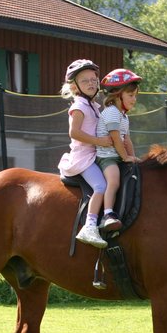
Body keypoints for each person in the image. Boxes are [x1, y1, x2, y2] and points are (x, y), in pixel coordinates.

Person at [57, 59, 112, 249]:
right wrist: (101, 142)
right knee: (101, 186)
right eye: (85, 80)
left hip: (95, 154)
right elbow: (75, 133)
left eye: (93, 80)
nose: (91, 83)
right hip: (84, 158)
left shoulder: (93, 106)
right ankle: (89, 226)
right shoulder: (79, 106)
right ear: (74, 87)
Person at [95, 68, 141, 231]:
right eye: (130, 95)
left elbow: (126, 140)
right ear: (117, 95)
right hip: (106, 157)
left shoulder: (124, 116)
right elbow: (115, 138)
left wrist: (134, 159)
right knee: (113, 179)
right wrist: (125, 157)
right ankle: (107, 215)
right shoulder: (112, 113)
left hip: (118, 155)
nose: (134, 99)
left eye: (135, 95)